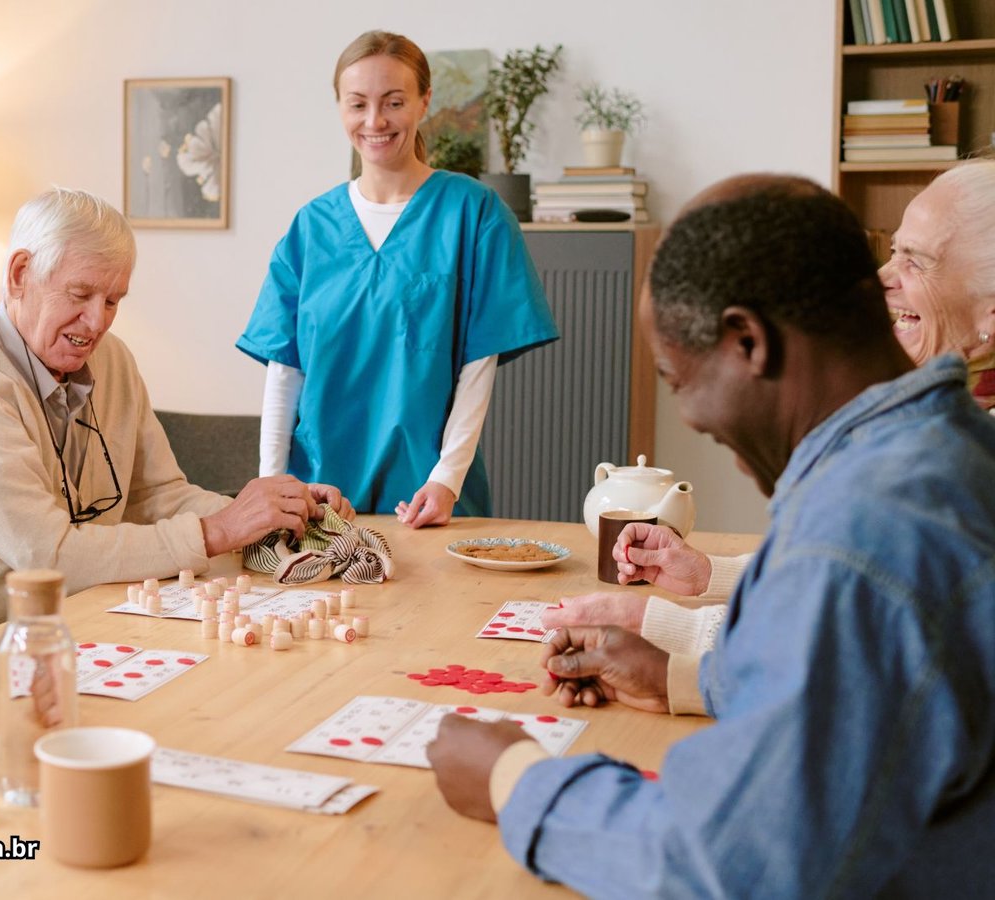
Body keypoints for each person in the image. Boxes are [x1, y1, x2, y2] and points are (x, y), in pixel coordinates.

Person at [425, 179, 995, 895]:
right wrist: (681, 675)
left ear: (748, 341)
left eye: (678, 379)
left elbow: (732, 867)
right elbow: (872, 694)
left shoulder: (861, 535)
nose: (696, 421)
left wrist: (516, 780)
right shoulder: (948, 453)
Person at [546, 159, 995, 655]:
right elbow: (829, 593)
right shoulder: (945, 430)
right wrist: (708, 577)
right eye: (891, 251)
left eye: (916, 260)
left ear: (750, 343)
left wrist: (660, 629)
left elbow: (828, 644)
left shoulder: (900, 489)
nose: (882, 277)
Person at [0, 188, 350, 645]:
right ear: (20, 273)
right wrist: (221, 530)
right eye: (81, 294)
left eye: (112, 300)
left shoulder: (113, 361)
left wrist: (274, 513)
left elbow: (158, 496)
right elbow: (50, 557)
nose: (97, 323)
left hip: (83, 615)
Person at [236, 30, 558, 528]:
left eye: (393, 102)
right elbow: (284, 370)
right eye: (358, 103)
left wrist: (447, 478)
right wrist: (271, 486)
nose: (375, 121)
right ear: (340, 108)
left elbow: (479, 365)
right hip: (317, 493)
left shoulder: (473, 214)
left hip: (424, 492)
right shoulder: (311, 226)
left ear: (424, 101)